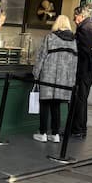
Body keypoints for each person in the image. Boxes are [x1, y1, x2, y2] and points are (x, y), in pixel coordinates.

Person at [32, 15, 78, 143]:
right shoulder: (73, 41)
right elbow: (75, 63)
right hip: (64, 79)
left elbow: (41, 56)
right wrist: (71, 81)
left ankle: (42, 133)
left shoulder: (50, 37)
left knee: (45, 103)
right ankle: (55, 134)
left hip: (48, 75)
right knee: (56, 105)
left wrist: (36, 73)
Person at [72, 6, 92, 138]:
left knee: (80, 98)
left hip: (84, 69)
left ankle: (77, 129)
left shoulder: (84, 29)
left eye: (75, 16)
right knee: (83, 98)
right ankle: (81, 128)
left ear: (81, 16)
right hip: (90, 68)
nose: (74, 20)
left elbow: (84, 51)